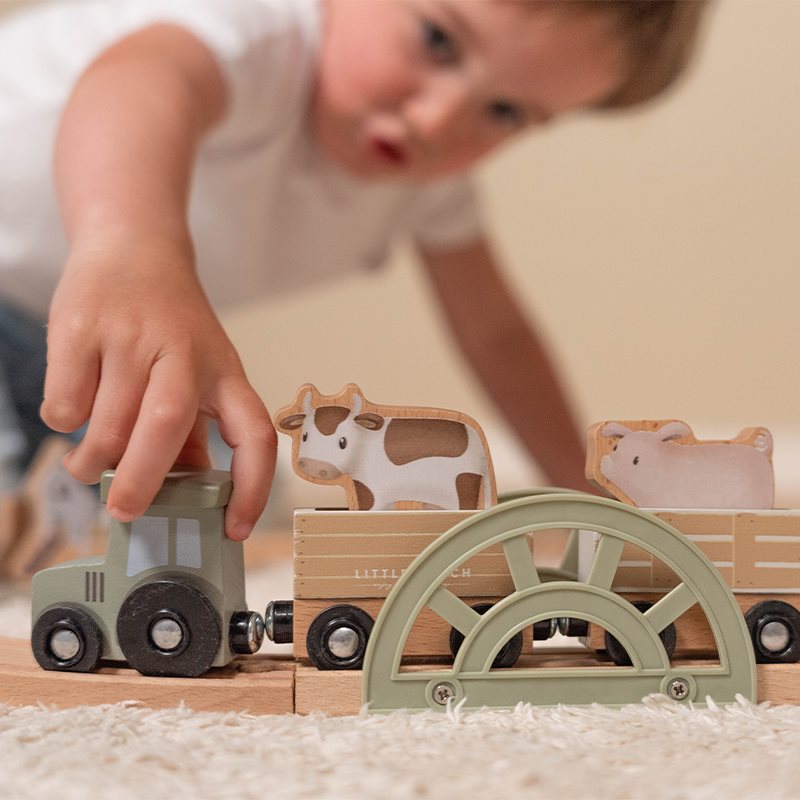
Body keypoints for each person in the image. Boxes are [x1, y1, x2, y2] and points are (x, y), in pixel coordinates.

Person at [0, 0, 707, 539]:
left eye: (505, 111)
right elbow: (137, 83)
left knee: (233, 475)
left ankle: (31, 507)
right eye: (438, 40)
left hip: (67, 350)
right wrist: (132, 249)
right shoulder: (256, 29)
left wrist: (583, 500)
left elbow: (496, 334)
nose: (437, 120)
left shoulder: (425, 183)